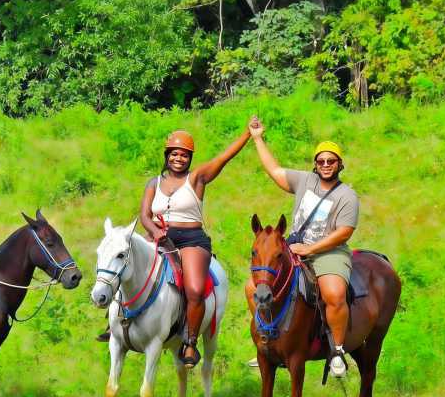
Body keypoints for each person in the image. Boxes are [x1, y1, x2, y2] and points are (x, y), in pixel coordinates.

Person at [247, 116, 359, 377]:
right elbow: (275, 171)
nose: (326, 165)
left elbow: (344, 232)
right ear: (315, 164)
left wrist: (311, 250)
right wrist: (257, 139)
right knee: (252, 286)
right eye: (321, 161)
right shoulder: (304, 181)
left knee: (333, 294)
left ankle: (338, 351)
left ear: (340, 164)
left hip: (328, 251)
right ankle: (266, 337)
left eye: (331, 161)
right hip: (293, 247)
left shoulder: (347, 195)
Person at [131, 127, 251, 367]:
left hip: (190, 239)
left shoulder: (196, 178)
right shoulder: (153, 182)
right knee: (123, 263)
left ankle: (190, 342)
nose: (179, 158)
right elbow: (144, 215)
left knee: (195, 289)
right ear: (167, 155)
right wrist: (156, 233)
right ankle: (114, 324)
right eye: (175, 154)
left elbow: (223, 158)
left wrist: (247, 134)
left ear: (190, 159)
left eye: (184, 155)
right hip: (157, 236)